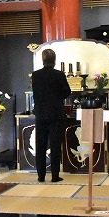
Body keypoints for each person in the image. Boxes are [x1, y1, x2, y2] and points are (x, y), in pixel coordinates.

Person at [31, 48, 71, 183]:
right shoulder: (59, 75)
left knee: (40, 145)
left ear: (43, 60)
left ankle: (41, 175)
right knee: (55, 145)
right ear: (54, 60)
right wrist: (56, 97)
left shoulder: (36, 75)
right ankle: (55, 175)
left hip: (41, 113)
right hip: (55, 113)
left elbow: (35, 93)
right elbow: (67, 92)